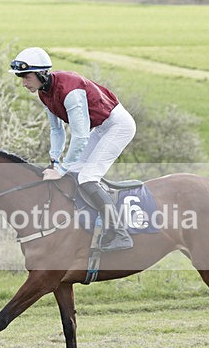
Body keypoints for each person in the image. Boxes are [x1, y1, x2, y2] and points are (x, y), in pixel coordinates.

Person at [10, 47, 136, 251]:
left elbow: (81, 136)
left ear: (41, 73)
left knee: (87, 178)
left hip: (117, 126)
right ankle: (86, 227)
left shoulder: (70, 91)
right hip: (101, 127)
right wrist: (55, 160)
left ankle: (120, 233)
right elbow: (56, 130)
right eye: (20, 77)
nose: (24, 82)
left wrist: (61, 169)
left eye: (26, 76)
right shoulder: (44, 93)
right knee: (75, 174)